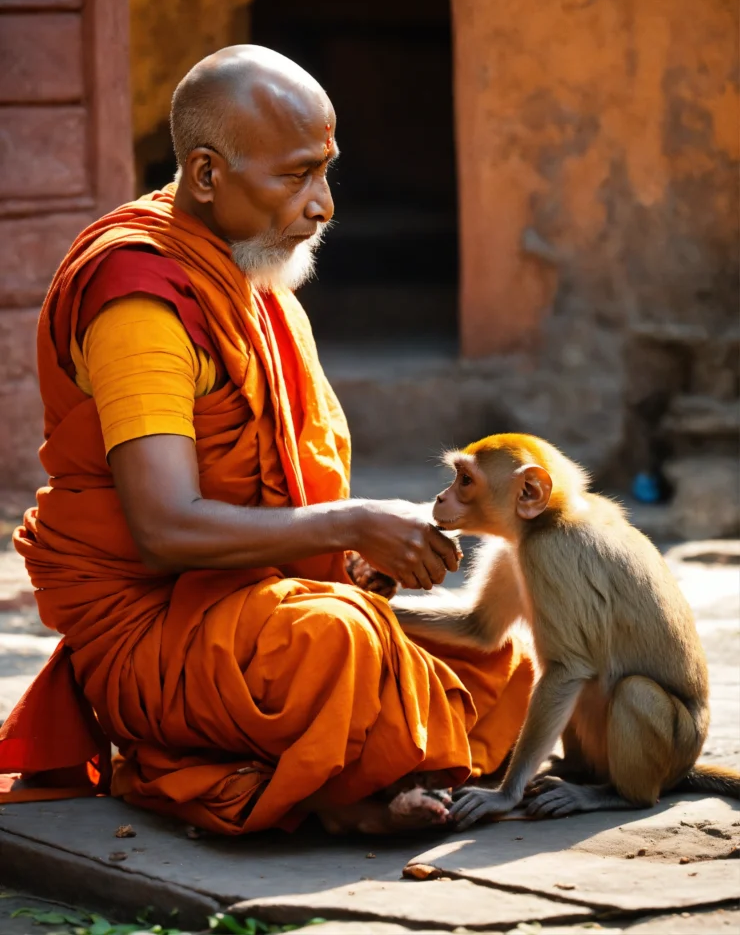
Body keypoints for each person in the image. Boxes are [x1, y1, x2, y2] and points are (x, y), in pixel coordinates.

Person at [0, 46, 533, 834]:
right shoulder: (141, 301)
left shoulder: (246, 272)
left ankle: (363, 771)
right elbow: (165, 526)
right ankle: (336, 799)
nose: (321, 206)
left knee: (503, 659)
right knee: (339, 645)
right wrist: (352, 523)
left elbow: (277, 483)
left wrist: (352, 560)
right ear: (208, 175)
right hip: (152, 631)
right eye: (294, 177)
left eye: (325, 171)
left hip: (251, 606)